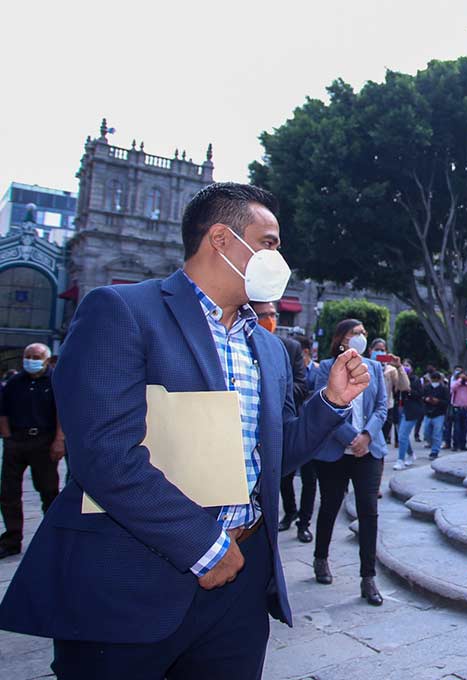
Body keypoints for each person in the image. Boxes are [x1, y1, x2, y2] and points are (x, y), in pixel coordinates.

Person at [0, 182, 371, 680]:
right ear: (220, 238)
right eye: (268, 242)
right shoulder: (123, 311)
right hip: (133, 582)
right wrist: (203, 545)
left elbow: (273, 457)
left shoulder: (268, 348)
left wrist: (330, 402)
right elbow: (106, 456)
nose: (277, 258)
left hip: (240, 582)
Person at [309, 319, 389, 606]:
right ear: (341, 338)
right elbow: (319, 404)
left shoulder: (375, 367)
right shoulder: (326, 368)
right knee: (330, 505)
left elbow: (381, 406)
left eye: (364, 333)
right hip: (334, 449)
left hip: (368, 451)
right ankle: (321, 558)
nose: (361, 337)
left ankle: (368, 577)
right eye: (355, 333)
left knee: (368, 510)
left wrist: (366, 436)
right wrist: (349, 437)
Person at [251, 303, 318, 544]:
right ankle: (289, 512)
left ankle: (304, 523)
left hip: (289, 421)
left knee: (308, 477)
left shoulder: (288, 348)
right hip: (256, 429)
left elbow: (301, 386)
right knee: (283, 478)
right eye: (264, 315)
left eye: (273, 314)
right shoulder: (243, 343)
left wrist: (274, 390)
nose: (270, 319)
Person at [0, 343, 64, 560]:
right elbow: (3, 411)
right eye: (28, 356)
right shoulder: (14, 382)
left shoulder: (56, 381)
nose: (31, 359)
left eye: (36, 356)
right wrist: (8, 437)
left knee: (48, 491)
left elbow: (61, 415)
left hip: (44, 442)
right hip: (17, 440)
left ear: (46, 360)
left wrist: (59, 440)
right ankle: (11, 539)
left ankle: (52, 537)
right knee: (9, 493)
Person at [394, 372, 425, 470]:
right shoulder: (395, 378)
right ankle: (410, 454)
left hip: (411, 411)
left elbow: (420, 394)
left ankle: (400, 460)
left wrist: (408, 390)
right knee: (402, 435)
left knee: (402, 435)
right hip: (398, 409)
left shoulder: (414, 380)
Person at [449, 369, 467, 451]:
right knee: (456, 427)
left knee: (464, 428)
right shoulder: (456, 383)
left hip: (466, 408)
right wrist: (460, 380)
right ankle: (455, 445)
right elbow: (452, 388)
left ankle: (463, 444)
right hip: (457, 407)